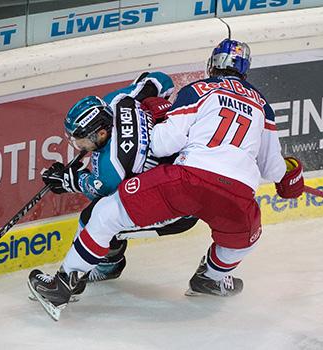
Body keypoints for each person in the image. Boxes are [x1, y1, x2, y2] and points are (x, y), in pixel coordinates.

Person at [28, 39, 305, 320]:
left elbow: (162, 145)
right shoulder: (262, 105)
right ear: (245, 70)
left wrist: (159, 118)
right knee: (244, 240)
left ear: (212, 64)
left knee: (104, 214)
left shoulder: (198, 89)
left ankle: (63, 285)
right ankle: (210, 278)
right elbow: (271, 169)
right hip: (238, 194)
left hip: (189, 180)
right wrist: (290, 174)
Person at [40, 72, 198, 283]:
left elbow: (94, 187)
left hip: (181, 209)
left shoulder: (112, 167)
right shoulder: (117, 101)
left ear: (101, 134)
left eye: (82, 142)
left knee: (96, 217)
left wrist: (68, 179)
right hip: (190, 167)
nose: (79, 147)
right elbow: (161, 81)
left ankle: (103, 269)